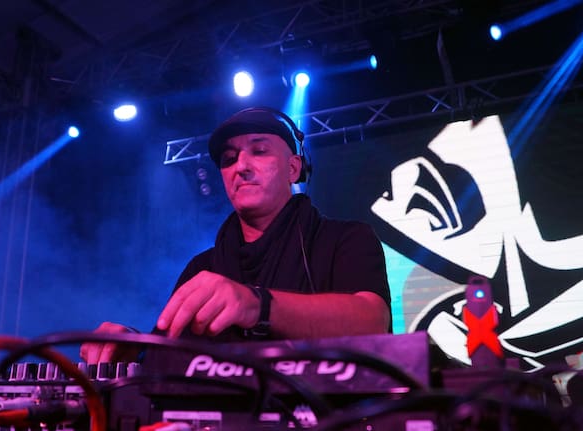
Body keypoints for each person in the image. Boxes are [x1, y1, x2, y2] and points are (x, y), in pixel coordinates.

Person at [80, 107, 391, 364]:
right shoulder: (202, 268)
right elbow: (167, 352)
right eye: (229, 159)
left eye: (259, 151)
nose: (241, 166)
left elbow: (373, 321)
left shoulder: (346, 239)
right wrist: (132, 348)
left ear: (294, 169)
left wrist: (256, 305)